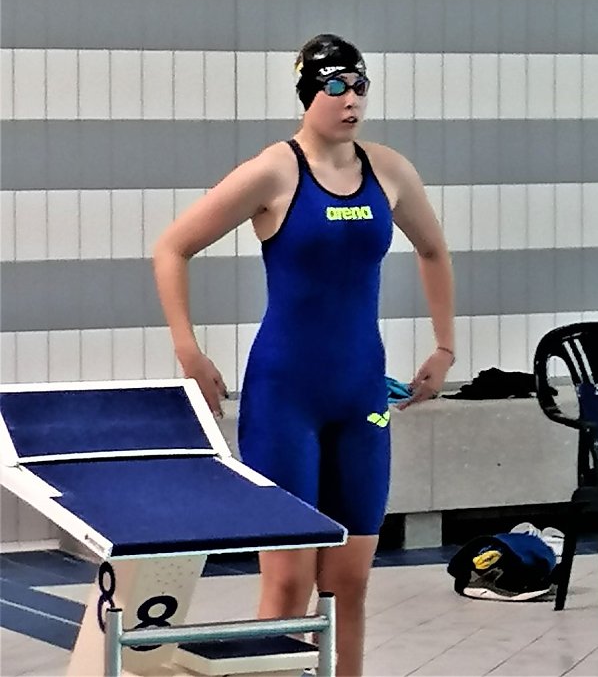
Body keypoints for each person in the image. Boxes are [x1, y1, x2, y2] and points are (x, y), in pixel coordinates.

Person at [153, 33, 455, 676]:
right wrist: (189, 350)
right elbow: (172, 248)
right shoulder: (274, 171)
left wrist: (445, 346)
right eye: (336, 87)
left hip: (360, 395)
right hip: (284, 397)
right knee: (289, 584)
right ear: (307, 94)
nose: (352, 101)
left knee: (348, 584)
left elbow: (434, 250)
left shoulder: (389, 170)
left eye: (360, 86)